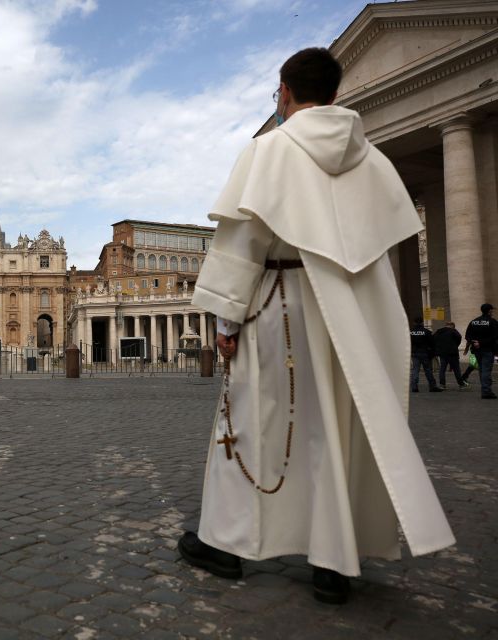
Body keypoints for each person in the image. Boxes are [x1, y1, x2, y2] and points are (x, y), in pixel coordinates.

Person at [181, 48, 454, 605]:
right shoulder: (372, 160)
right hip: (347, 318)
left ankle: (227, 544)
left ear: (284, 91)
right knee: (334, 429)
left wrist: (225, 320)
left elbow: (243, 244)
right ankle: (334, 561)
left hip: (278, 307)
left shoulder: (268, 151)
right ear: (334, 94)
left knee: (252, 424)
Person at [463, 303, 497, 399]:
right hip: (487, 349)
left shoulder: (474, 321)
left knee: (482, 370)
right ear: (489, 311)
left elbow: (467, 335)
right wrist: (481, 343)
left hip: (477, 350)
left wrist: (474, 342)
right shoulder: (492, 321)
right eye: (492, 310)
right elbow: (495, 336)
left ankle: (485, 390)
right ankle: (486, 391)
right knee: (486, 370)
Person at [410, 318, 443, 393]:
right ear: (422, 323)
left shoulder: (411, 332)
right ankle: (432, 386)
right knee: (428, 370)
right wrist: (433, 353)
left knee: (415, 370)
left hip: (414, 353)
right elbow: (432, 343)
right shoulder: (427, 332)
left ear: (414, 323)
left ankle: (414, 387)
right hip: (425, 353)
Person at [433, 321, 467, 389]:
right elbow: (459, 338)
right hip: (452, 353)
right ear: (452, 326)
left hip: (442, 353)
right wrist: (455, 346)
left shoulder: (438, 331)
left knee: (442, 369)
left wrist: (438, 349)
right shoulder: (453, 331)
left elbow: (434, 340)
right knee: (456, 369)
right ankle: (461, 384)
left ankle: (442, 384)